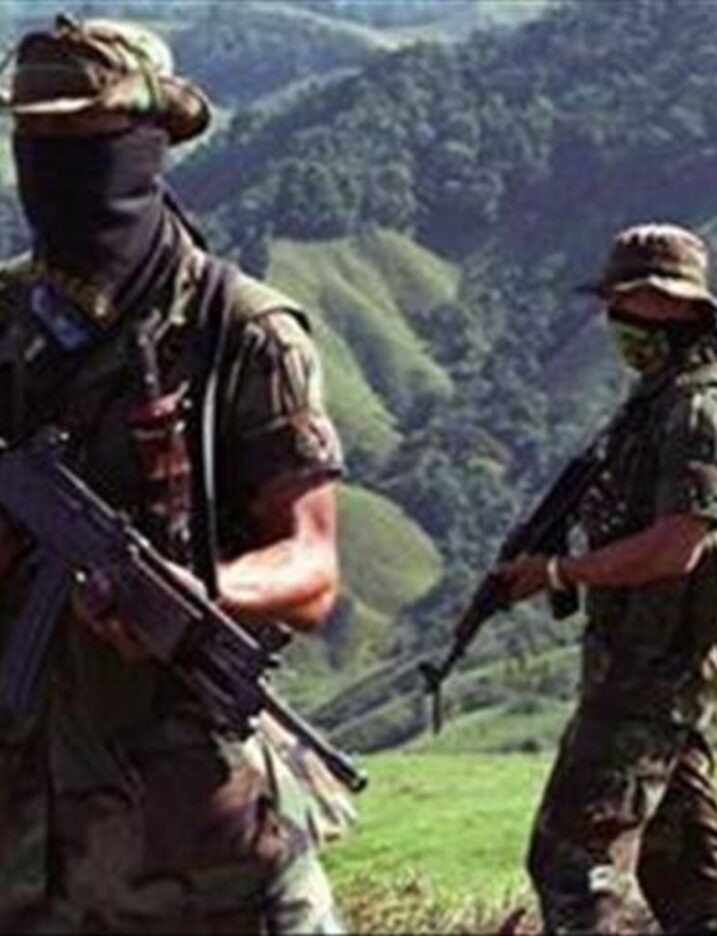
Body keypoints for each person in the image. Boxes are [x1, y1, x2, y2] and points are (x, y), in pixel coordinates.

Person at [0, 15, 346, 932]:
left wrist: (196, 593)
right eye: (37, 141)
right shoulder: (5, 320)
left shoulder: (243, 331)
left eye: (89, 142)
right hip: (24, 842)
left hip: (200, 833)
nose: (58, 167)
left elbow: (311, 567)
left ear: (152, 144)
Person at [496, 223, 717, 934]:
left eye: (630, 301)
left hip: (655, 670)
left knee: (572, 856)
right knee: (684, 870)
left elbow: (679, 545)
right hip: (650, 662)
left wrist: (558, 571)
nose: (616, 317)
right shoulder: (661, 400)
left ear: (675, 304)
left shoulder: (700, 407)